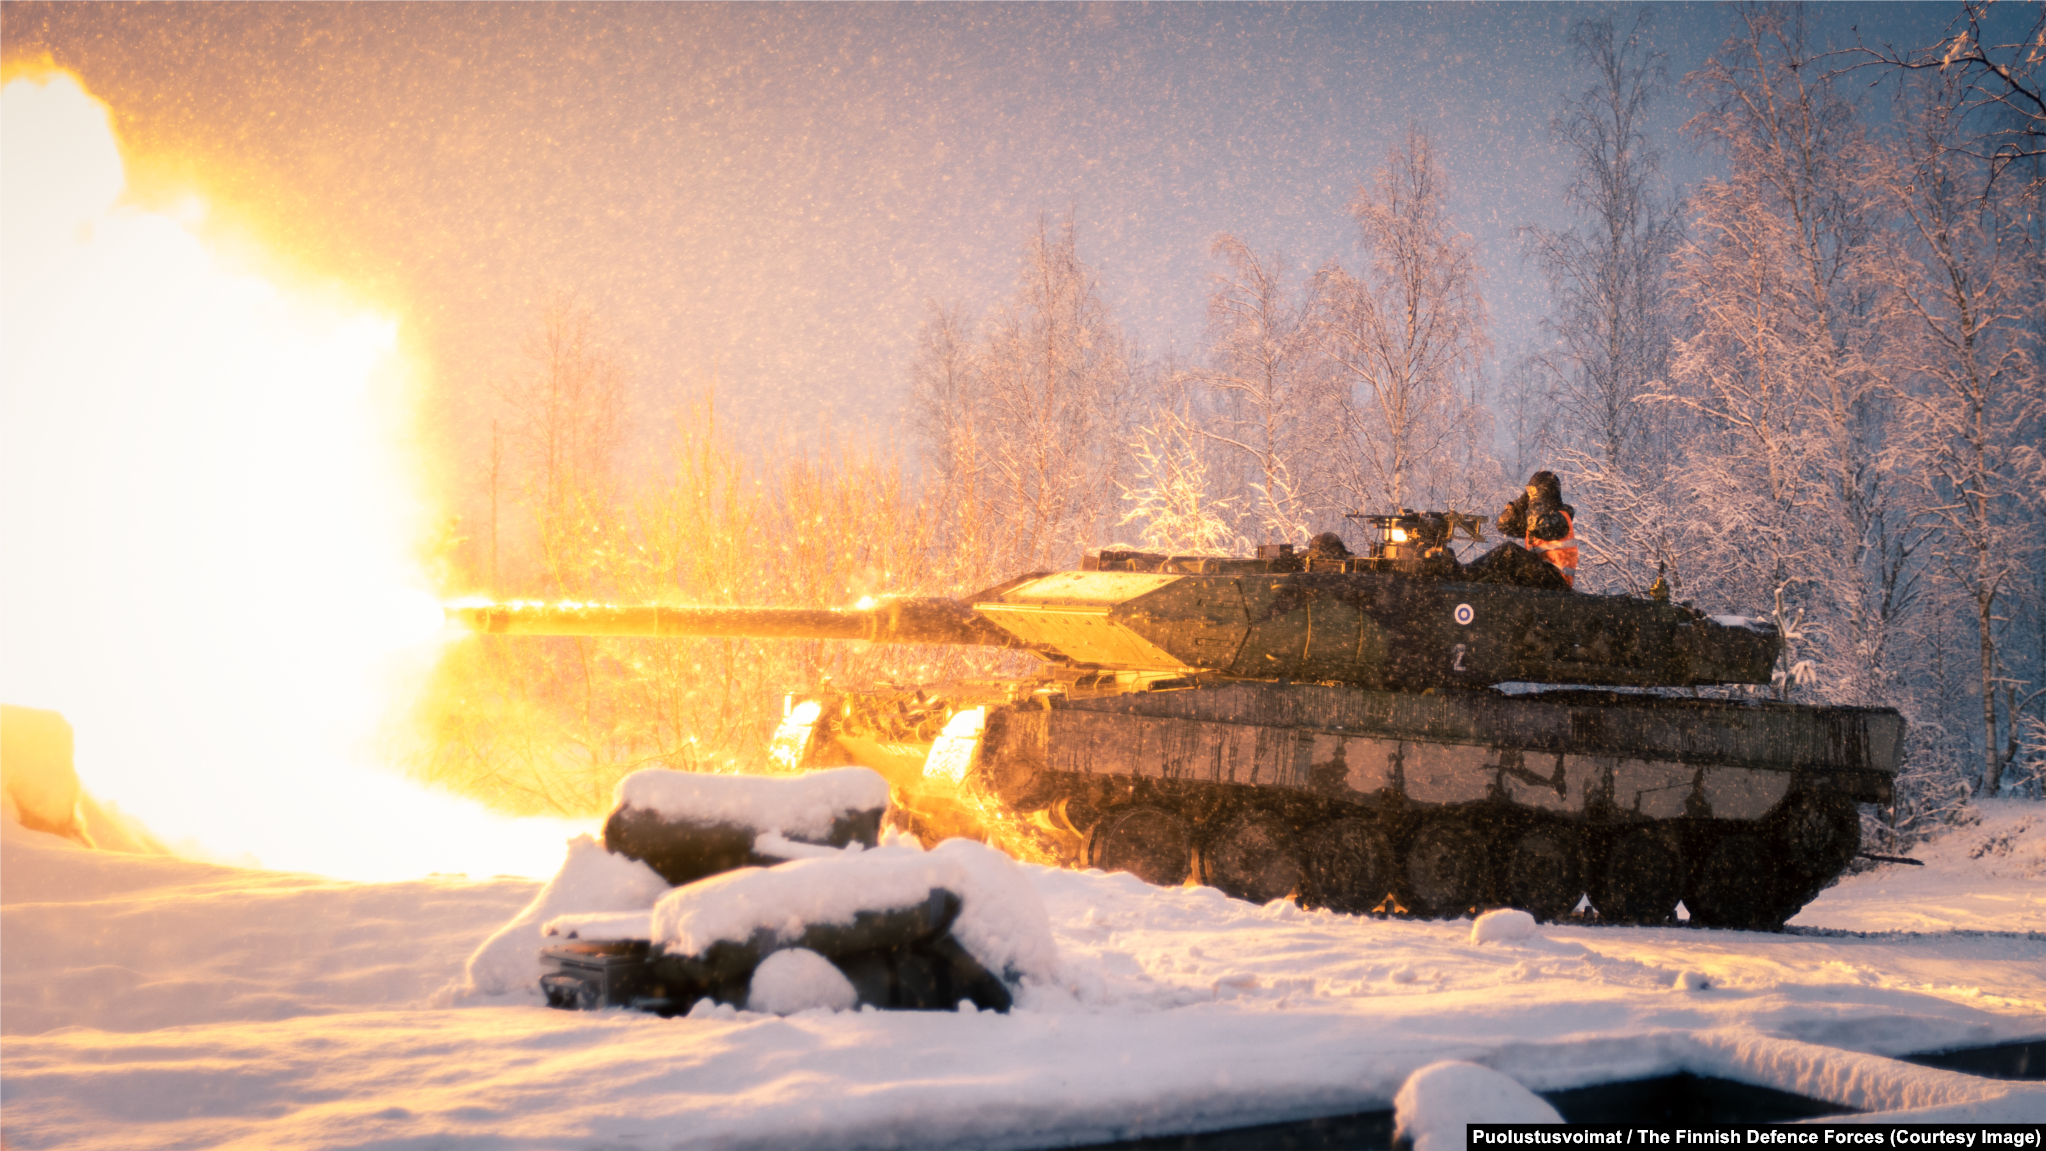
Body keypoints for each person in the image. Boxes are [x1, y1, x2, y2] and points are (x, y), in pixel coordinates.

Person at [1464, 470, 1578, 590]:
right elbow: (1504, 524)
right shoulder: (1538, 520)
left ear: (1545, 493)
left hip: (1557, 581)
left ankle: (1465, 574)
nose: (1531, 496)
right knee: (1498, 574)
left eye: (1533, 492)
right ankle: (1466, 575)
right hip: (1541, 576)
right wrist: (1521, 503)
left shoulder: (1560, 518)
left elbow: (1535, 524)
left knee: (1510, 552)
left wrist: (1535, 499)